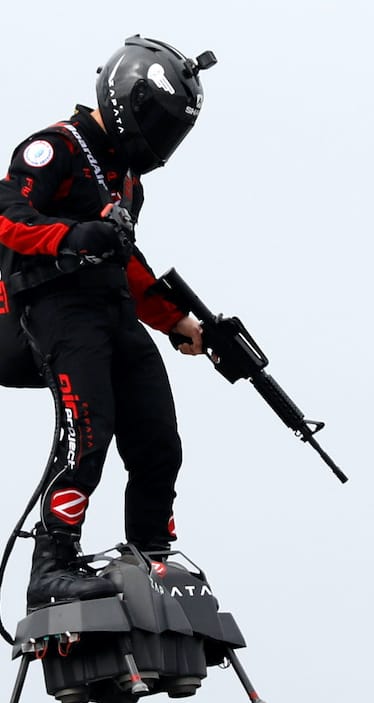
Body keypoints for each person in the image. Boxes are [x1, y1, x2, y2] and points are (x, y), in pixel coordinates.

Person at [0, 36, 216, 608]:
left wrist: (181, 324)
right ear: (127, 101)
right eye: (157, 123)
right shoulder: (56, 147)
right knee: (87, 432)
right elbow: (8, 217)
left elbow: (130, 264)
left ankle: (151, 558)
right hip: (54, 307)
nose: (161, 140)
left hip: (111, 309)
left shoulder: (127, 180)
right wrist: (73, 236)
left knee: (158, 438)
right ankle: (51, 566)